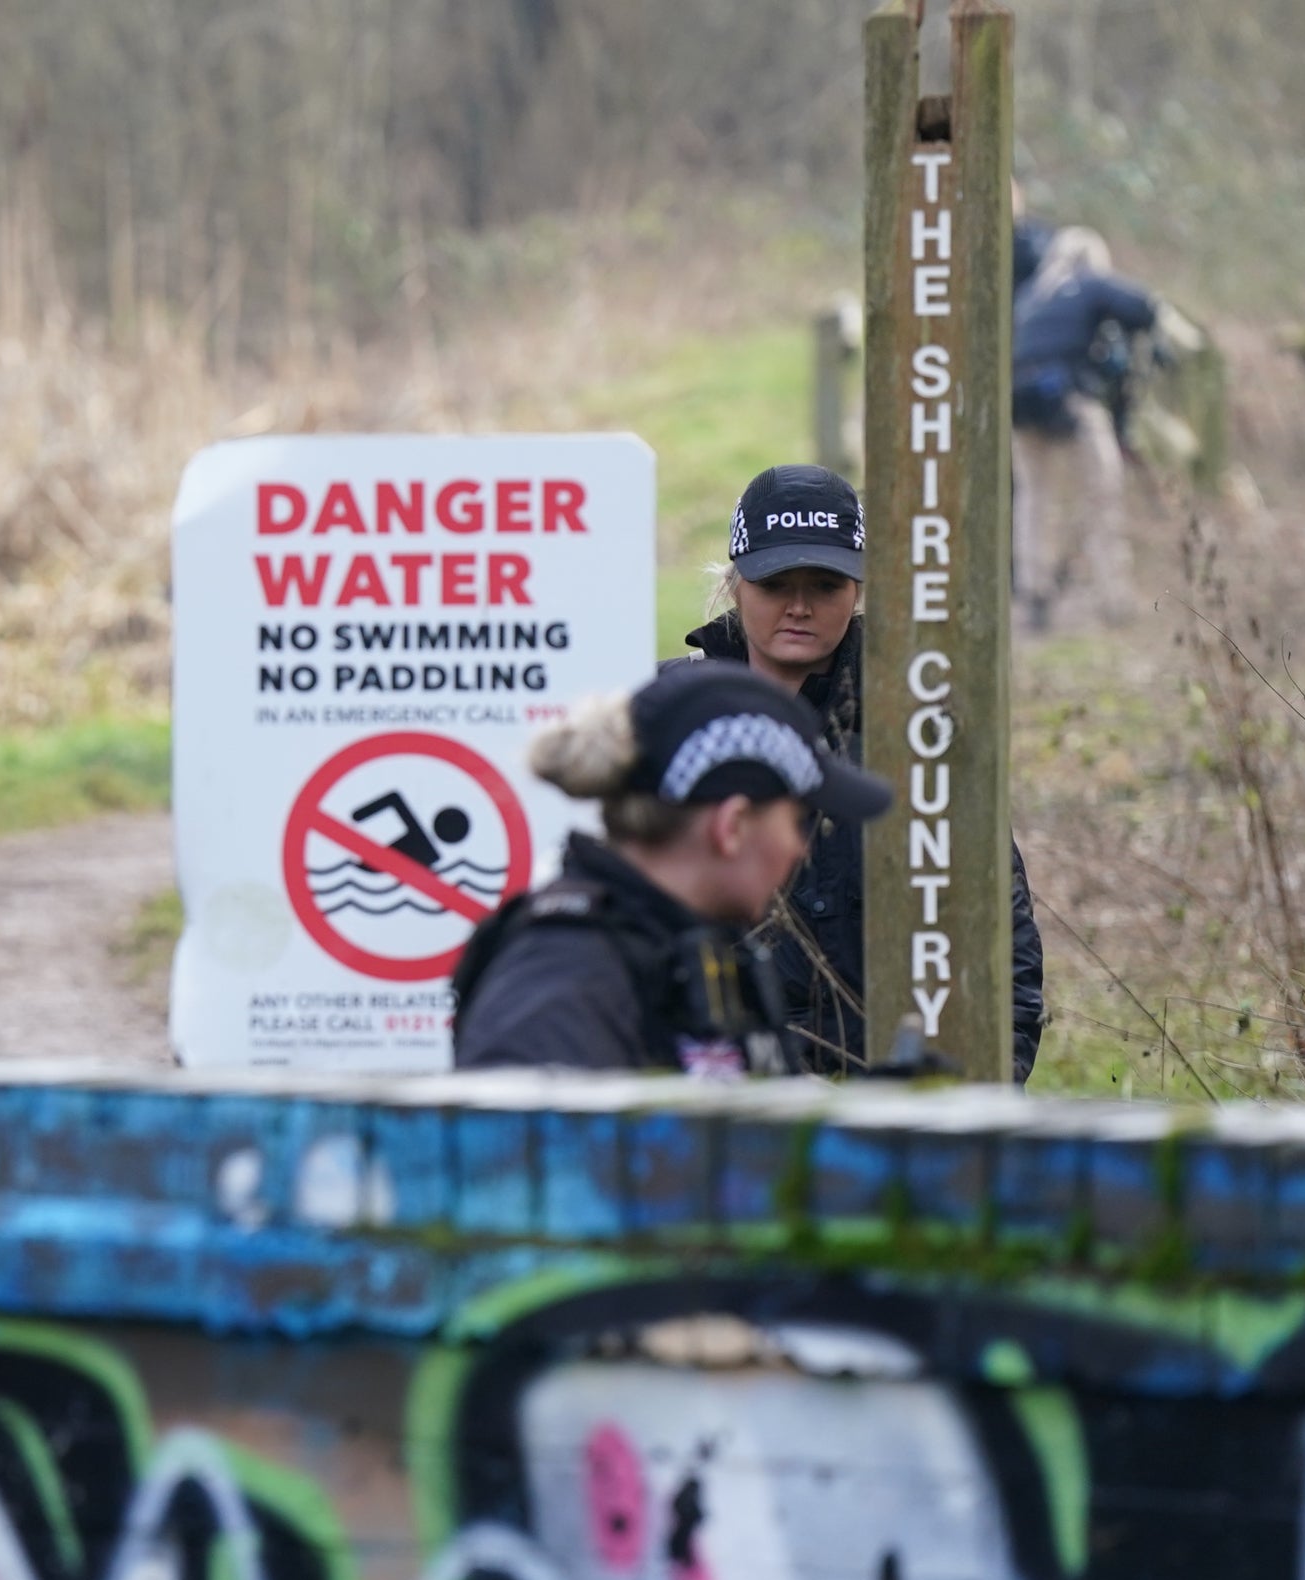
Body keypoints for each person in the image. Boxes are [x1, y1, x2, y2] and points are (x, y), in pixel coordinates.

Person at [682, 464, 1048, 1080]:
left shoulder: (918, 728)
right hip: (721, 1109)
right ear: (735, 583)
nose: (799, 606)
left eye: (824, 584)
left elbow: (998, 938)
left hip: (890, 1103)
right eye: (776, 583)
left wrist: (982, 1093)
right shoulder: (673, 718)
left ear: (857, 590)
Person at [451, 666, 891, 1074]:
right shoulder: (563, 978)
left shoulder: (680, 950)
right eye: (797, 821)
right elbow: (513, 1152)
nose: (799, 848)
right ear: (731, 827)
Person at [1010, 226, 1194, 631]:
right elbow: (1143, 307)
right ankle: (1115, 596)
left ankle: (1034, 591)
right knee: (1101, 492)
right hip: (1070, 398)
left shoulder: (1030, 295)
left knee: (1034, 498)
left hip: (1019, 401)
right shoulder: (1090, 282)